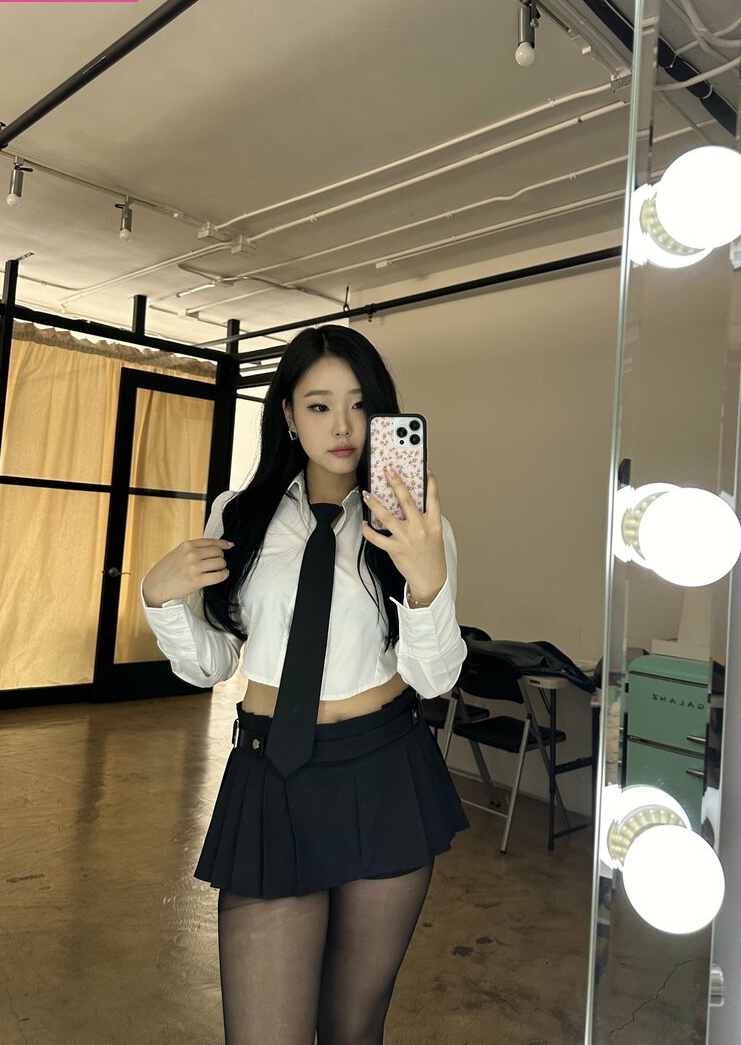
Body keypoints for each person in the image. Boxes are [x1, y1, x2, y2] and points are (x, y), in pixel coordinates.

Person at [141, 324, 470, 1045]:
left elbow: (435, 677)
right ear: (288, 414)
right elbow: (213, 663)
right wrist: (159, 600)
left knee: (352, 1030)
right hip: (271, 775)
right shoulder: (240, 514)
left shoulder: (415, 526)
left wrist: (425, 583)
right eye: (320, 406)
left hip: (382, 772)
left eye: (359, 404)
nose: (343, 426)